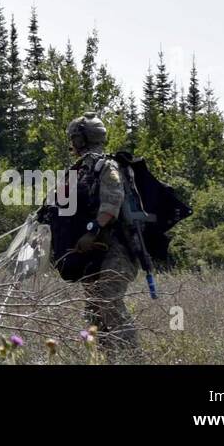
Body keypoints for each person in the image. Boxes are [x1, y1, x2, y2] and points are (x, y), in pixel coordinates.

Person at [65, 113, 140, 355]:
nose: (71, 144)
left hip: (118, 249)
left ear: (82, 139)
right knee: (94, 309)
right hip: (94, 252)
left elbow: (112, 203)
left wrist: (91, 232)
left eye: (74, 138)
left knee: (109, 301)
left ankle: (133, 358)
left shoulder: (107, 167)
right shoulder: (81, 169)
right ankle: (106, 357)